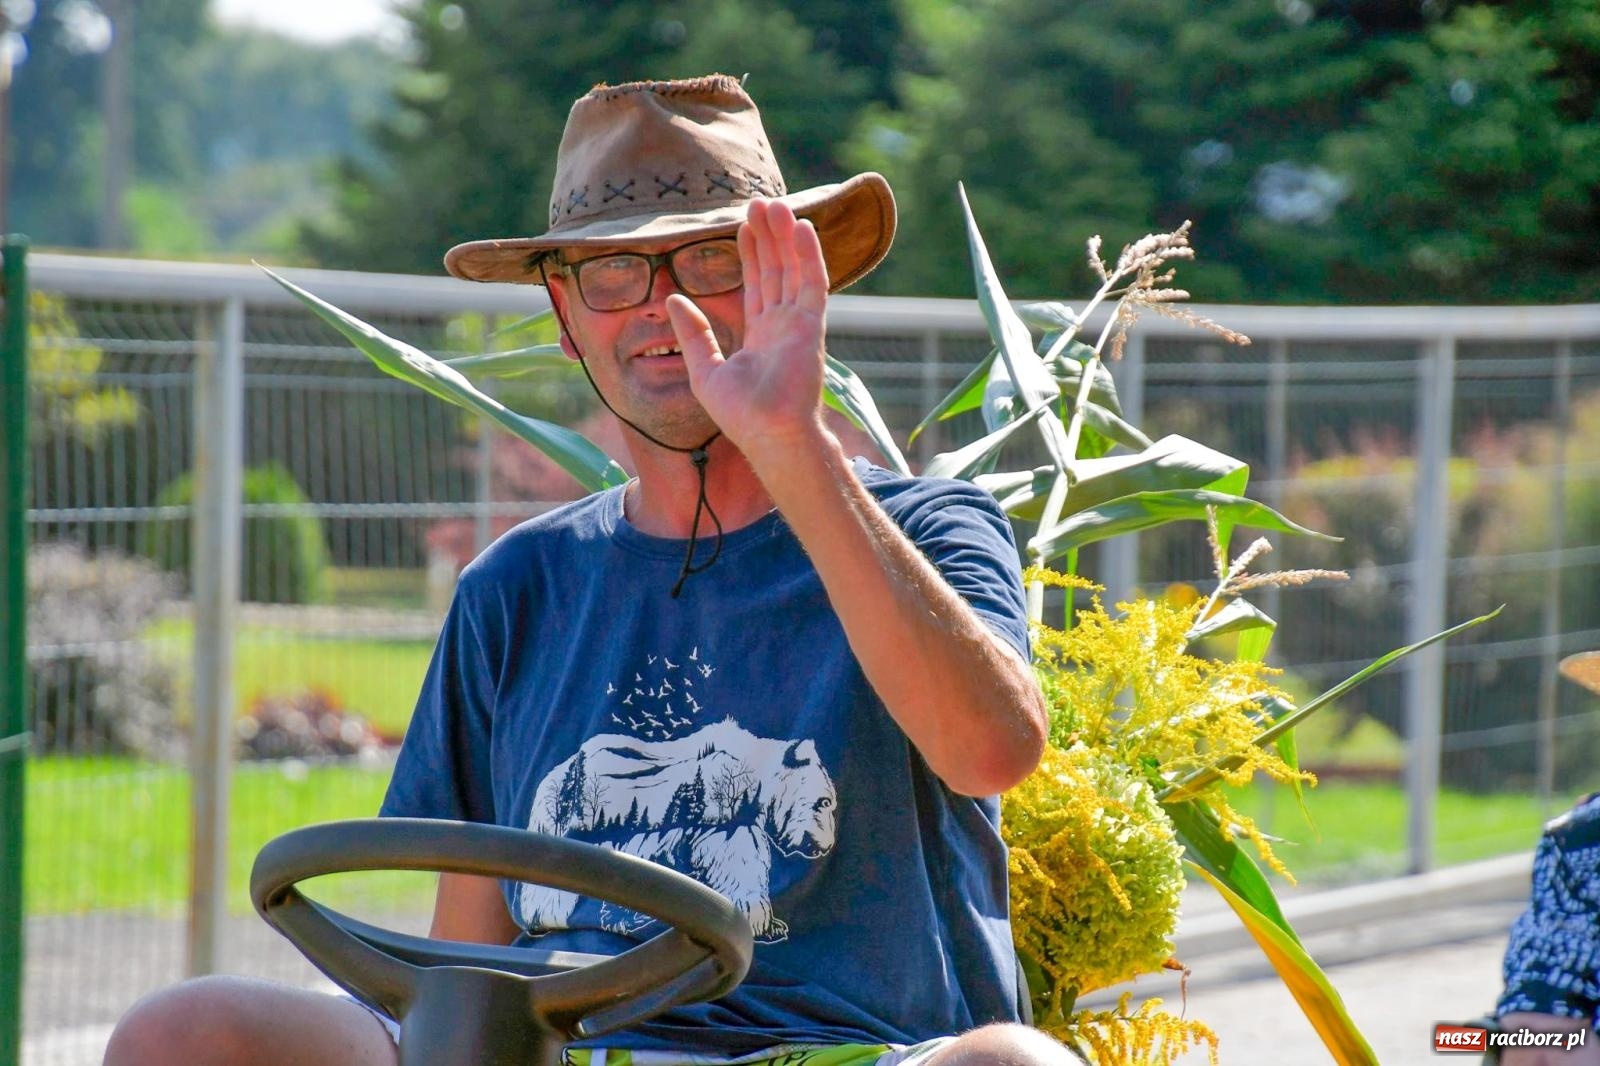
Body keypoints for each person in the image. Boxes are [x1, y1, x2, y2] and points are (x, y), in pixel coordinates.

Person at [104, 74, 1070, 1066]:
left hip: (841, 1052)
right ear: (566, 318)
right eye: (613, 273)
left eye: (709, 257)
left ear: (788, 281)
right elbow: (461, 955)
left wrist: (788, 440)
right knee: (185, 1033)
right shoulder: (516, 588)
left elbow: (989, 750)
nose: (666, 305)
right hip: (558, 1050)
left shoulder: (928, 530)